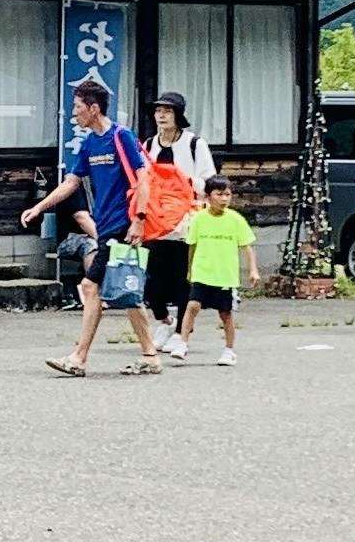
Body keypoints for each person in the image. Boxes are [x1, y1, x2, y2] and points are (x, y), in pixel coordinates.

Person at [22, 80, 159, 376]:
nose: (74, 114)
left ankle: (78, 357)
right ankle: (150, 355)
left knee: (91, 286)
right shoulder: (89, 144)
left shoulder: (121, 136)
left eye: (78, 107)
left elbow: (143, 178)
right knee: (127, 290)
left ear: (94, 108)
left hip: (124, 224)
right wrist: (39, 207)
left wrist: (139, 219)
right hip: (106, 224)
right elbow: (71, 183)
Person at [140, 91, 216, 359]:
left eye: (167, 111)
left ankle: (182, 331)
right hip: (156, 220)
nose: (161, 115)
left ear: (178, 115)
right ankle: (164, 320)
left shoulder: (194, 144)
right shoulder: (149, 144)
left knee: (182, 278)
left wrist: (181, 181)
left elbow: (210, 182)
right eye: (158, 110)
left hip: (186, 220)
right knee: (152, 280)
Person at [179, 174, 255, 361]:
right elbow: (192, 246)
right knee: (192, 306)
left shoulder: (235, 219)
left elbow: (247, 246)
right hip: (202, 271)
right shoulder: (198, 219)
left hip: (224, 274)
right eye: (219, 194)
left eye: (227, 195)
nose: (224, 199)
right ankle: (182, 343)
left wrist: (253, 269)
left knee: (225, 313)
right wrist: (190, 269)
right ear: (208, 196)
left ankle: (229, 350)